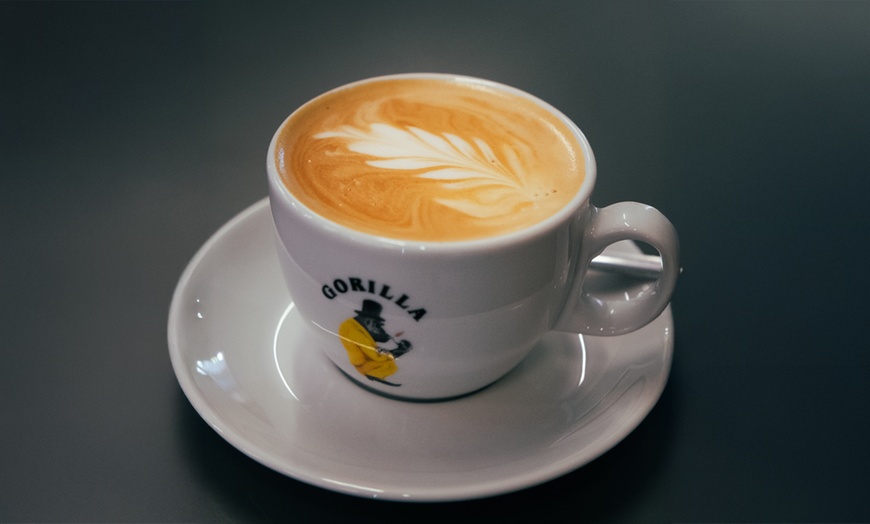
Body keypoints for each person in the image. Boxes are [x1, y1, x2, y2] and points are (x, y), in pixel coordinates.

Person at [337, 299, 412, 387]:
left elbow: (369, 336)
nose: (376, 328)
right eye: (375, 324)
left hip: (360, 360)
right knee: (389, 366)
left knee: (389, 364)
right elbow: (377, 357)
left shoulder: (351, 324)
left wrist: (381, 336)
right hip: (362, 364)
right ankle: (373, 374)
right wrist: (400, 350)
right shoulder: (356, 332)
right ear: (368, 321)